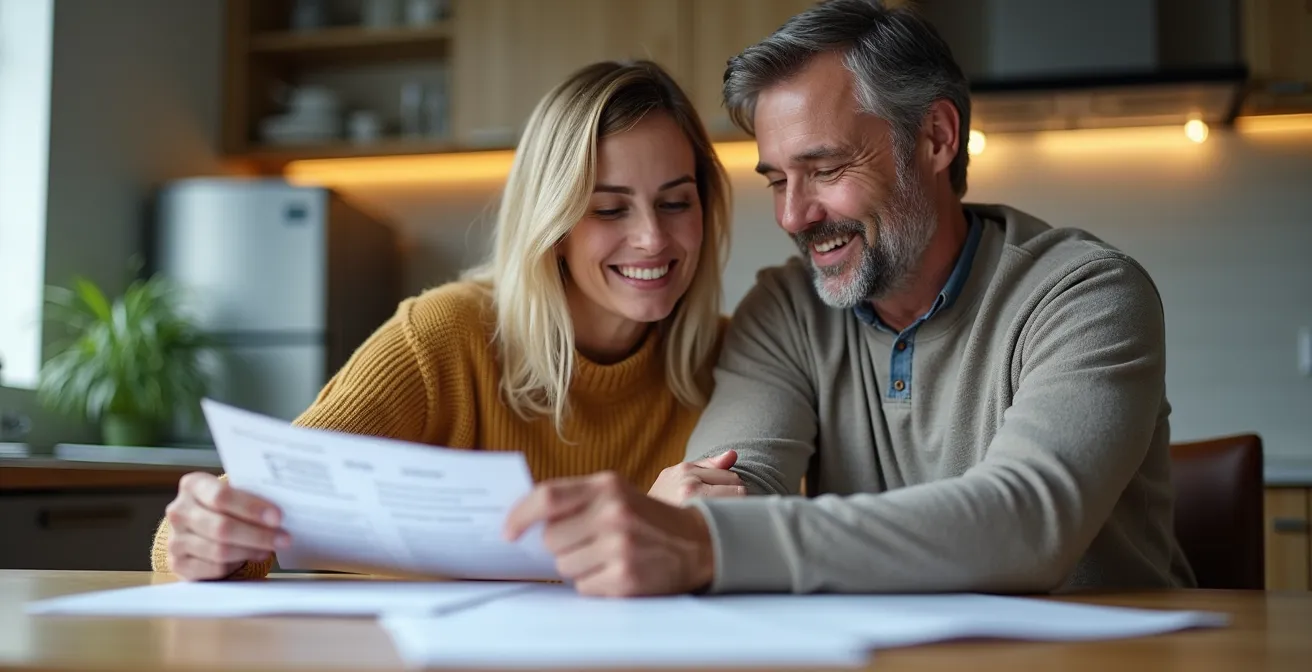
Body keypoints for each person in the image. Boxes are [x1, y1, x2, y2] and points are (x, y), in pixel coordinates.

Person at [503, 0, 1196, 597]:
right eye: (776, 180)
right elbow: (729, 486)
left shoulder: (1088, 295)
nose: (794, 217)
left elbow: (1026, 526)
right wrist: (702, 518)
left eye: (825, 169)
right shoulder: (786, 310)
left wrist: (715, 543)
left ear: (935, 137)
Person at [152, 60, 740, 581]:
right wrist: (203, 537)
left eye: (675, 202)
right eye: (609, 208)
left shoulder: (736, 356)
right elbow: (257, 508)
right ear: (553, 226)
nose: (651, 237)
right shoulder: (444, 336)